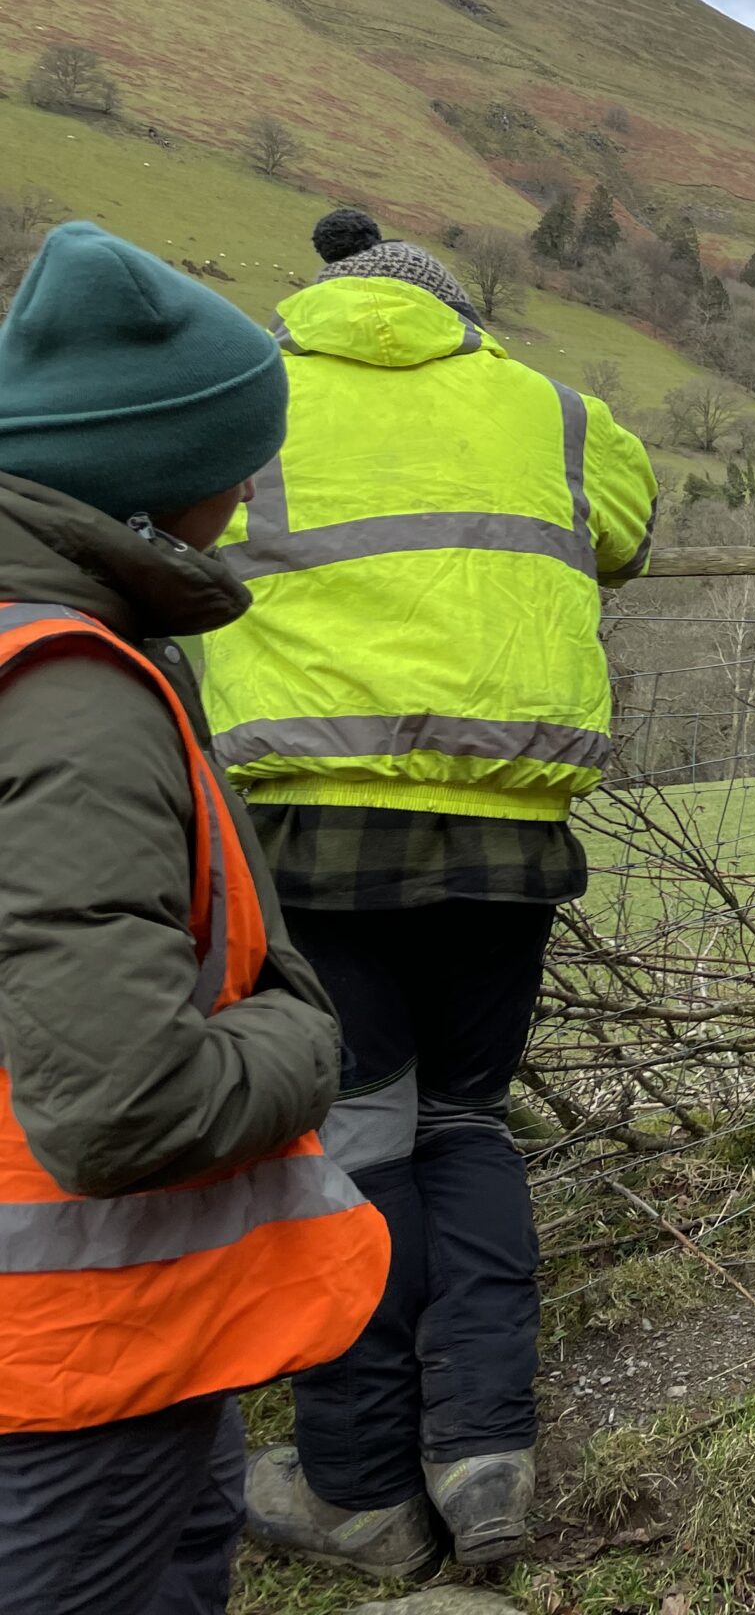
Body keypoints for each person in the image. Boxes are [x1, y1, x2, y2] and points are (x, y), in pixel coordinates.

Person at [203, 208, 658, 1578]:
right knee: (468, 1118)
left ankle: (354, 1480)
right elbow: (623, 537)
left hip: (309, 833)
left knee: (355, 1134)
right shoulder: (560, 413)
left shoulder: (242, 399)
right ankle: (482, 1454)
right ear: (462, 312)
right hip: (509, 831)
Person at [0, 223, 388, 1614]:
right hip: (74, 1361)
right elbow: (123, 1102)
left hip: (123, 1346)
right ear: (167, 476)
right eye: (246, 453)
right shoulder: (72, 695)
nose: (256, 483)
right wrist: (303, 1037)